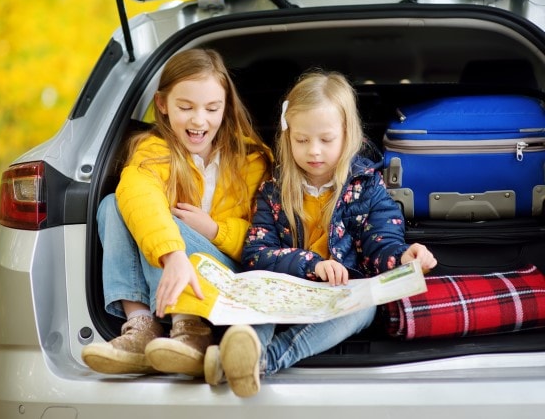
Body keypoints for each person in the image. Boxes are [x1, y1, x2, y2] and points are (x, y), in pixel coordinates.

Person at [203, 70, 437, 397]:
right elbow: (256, 253)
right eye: (302, 140)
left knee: (364, 308)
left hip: (341, 296)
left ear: (347, 135)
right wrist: (310, 265)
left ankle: (260, 361)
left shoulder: (368, 186)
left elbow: (380, 243)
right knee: (258, 299)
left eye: (326, 140)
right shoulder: (273, 189)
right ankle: (244, 348)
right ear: (288, 136)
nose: (314, 151)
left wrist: (402, 257)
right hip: (285, 292)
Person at [81, 48, 271, 377]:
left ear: (226, 108)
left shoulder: (251, 160)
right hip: (174, 266)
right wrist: (174, 254)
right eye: (186, 107)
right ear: (162, 105)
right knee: (114, 205)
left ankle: (191, 331)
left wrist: (214, 230)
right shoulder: (153, 151)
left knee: (164, 220)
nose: (200, 120)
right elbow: (137, 191)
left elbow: (265, 240)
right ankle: (141, 327)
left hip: (229, 275)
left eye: (212, 108)